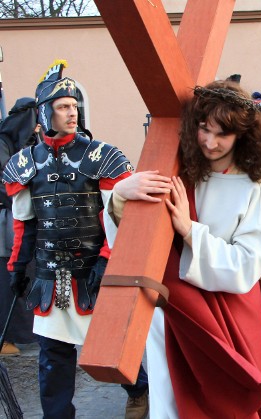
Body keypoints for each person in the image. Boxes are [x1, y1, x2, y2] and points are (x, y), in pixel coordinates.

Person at [106, 80, 261, 418]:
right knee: (172, 402)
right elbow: (132, 242)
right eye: (203, 129)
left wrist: (190, 231)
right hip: (174, 312)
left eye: (221, 134)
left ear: (242, 134)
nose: (210, 142)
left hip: (231, 316)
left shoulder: (256, 187)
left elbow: (248, 266)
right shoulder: (178, 171)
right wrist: (121, 195)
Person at [2, 60, 149, 418]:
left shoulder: (102, 157)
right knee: (53, 356)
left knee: (108, 346)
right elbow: (25, 224)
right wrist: (18, 266)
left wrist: (106, 259)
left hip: (94, 268)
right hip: (50, 275)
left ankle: (139, 389)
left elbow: (120, 217)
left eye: (74, 105)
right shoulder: (25, 163)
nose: (72, 112)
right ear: (44, 112)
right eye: (63, 106)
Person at [0, 97, 38, 356]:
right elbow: (7, 182)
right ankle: (6, 337)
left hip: (23, 217)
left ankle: (25, 333)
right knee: (6, 278)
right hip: (5, 220)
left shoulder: (28, 144)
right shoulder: (2, 144)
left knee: (28, 274)